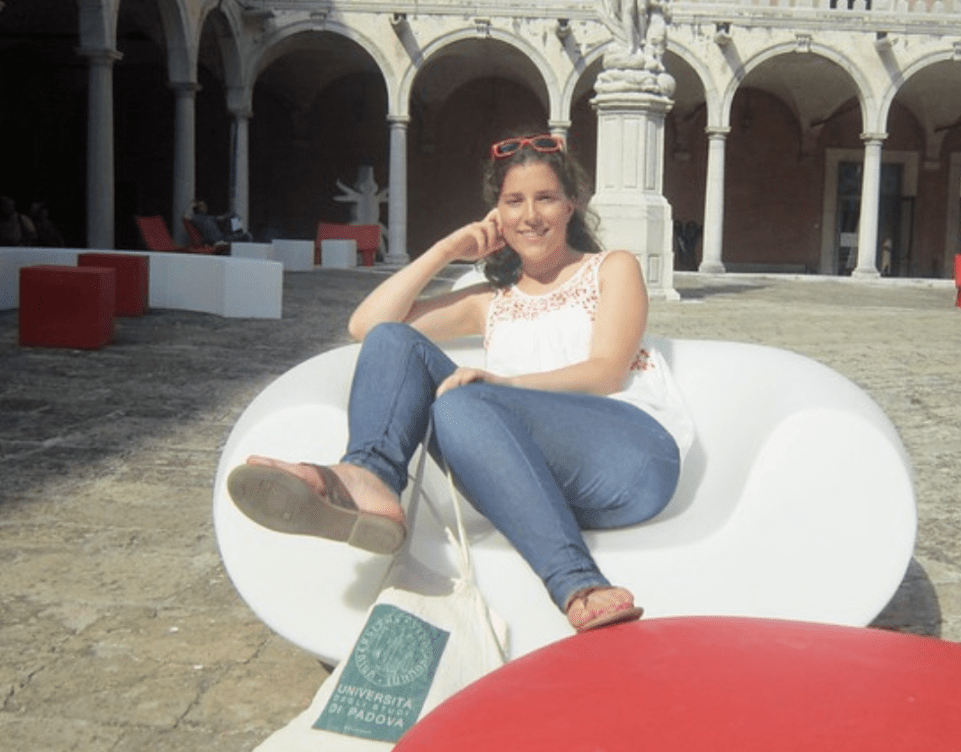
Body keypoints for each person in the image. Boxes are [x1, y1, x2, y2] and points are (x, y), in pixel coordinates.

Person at [227, 131, 693, 633]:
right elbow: (369, 326)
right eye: (514, 201)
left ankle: (578, 581)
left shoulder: (610, 268)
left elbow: (605, 373)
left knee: (464, 401)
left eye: (546, 198)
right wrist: (448, 249)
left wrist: (501, 385)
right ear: (497, 214)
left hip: (631, 458)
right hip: (531, 481)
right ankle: (370, 478)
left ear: (571, 206)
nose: (530, 215)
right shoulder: (488, 301)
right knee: (401, 349)